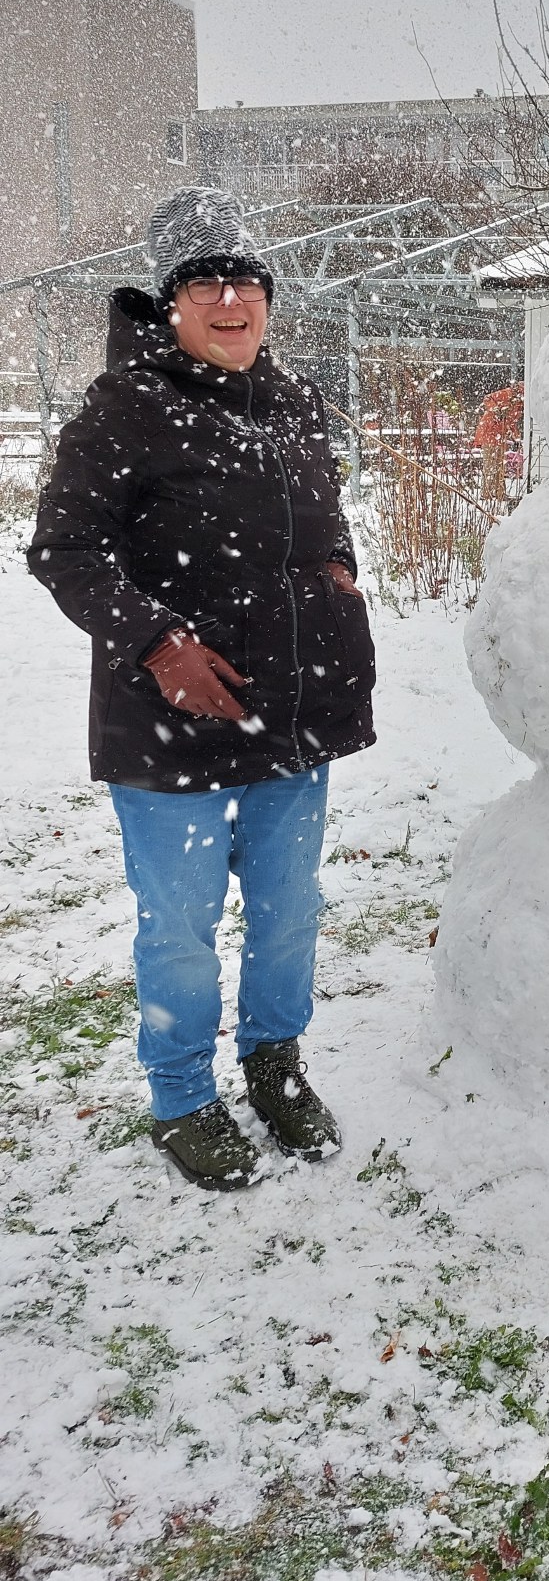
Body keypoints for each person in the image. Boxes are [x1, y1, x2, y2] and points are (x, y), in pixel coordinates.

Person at [29, 187, 376, 1192]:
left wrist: (339, 566)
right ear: (170, 302)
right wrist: (157, 641)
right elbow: (64, 549)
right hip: (170, 725)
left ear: (266, 295)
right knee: (181, 928)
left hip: (292, 710)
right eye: (205, 283)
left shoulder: (295, 397)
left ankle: (275, 1064)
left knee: (288, 911)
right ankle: (182, 1094)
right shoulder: (125, 408)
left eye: (245, 281)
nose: (231, 300)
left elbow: (324, 511)